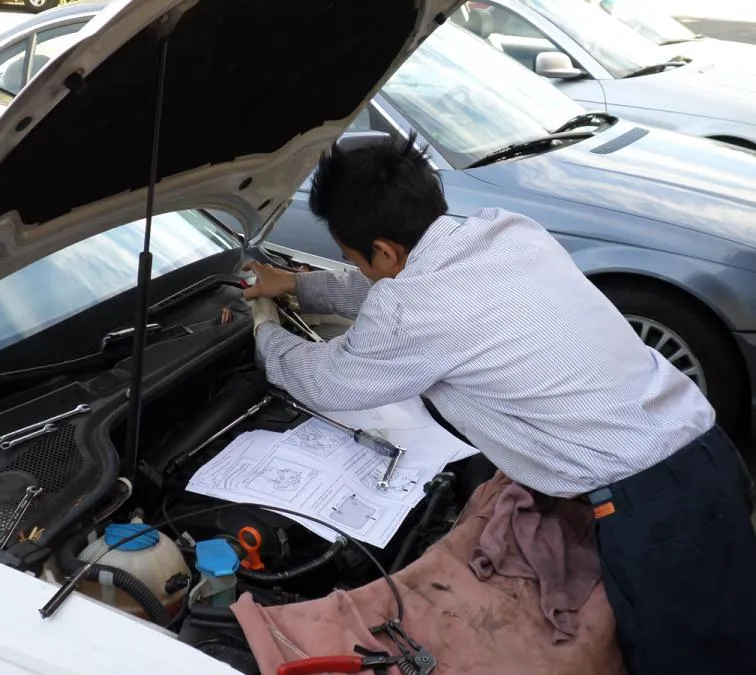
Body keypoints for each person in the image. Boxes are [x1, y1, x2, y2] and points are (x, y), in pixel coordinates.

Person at [243, 131, 756, 675]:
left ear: (386, 250)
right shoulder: (506, 232)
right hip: (705, 455)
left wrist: (261, 334)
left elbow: (329, 381)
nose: (360, 269)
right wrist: (297, 286)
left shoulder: (414, 309)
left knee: (692, 661)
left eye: (355, 258)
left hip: (653, 509)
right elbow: (397, 288)